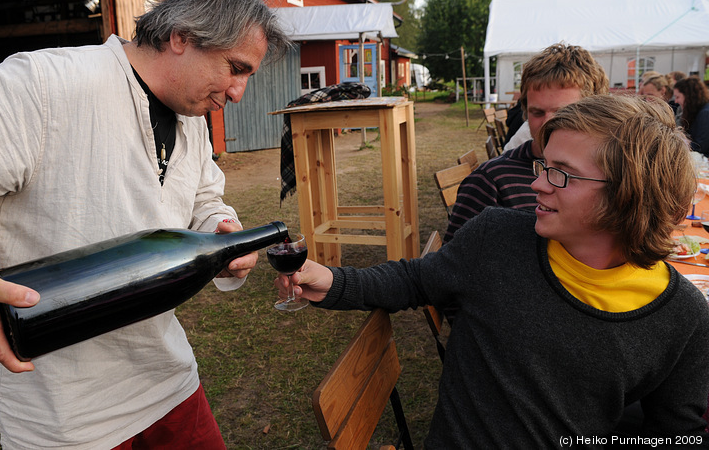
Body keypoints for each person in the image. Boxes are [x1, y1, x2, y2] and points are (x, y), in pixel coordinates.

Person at [0, 0, 292, 448]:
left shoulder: (191, 117)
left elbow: (202, 196)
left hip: (167, 381)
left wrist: (218, 226)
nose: (238, 93)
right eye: (236, 68)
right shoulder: (50, 85)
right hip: (66, 416)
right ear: (181, 37)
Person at [281, 95, 709, 447]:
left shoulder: (683, 317)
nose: (538, 183)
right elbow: (415, 279)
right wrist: (336, 280)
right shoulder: (498, 238)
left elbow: (675, 435)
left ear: (629, 196)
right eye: (545, 164)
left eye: (562, 175)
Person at [444, 43, 608, 243]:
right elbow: (453, 267)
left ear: (594, 113)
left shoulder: (609, 173)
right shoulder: (491, 182)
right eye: (537, 113)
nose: (548, 124)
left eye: (563, 113)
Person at [674, 76, 709, 157]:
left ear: (688, 96)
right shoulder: (696, 111)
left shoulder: (705, 114)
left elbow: (700, 147)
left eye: (678, 97)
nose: (676, 101)